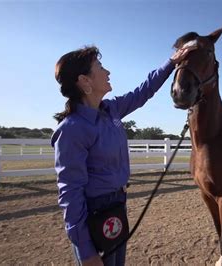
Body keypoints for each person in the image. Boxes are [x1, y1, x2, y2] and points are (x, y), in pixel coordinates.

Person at [51, 43, 197, 266]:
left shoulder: (111, 110)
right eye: (99, 67)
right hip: (94, 212)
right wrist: (86, 252)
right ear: (85, 81)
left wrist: (171, 62)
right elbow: (70, 193)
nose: (107, 71)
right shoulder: (72, 129)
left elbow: (144, 91)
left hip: (116, 205)